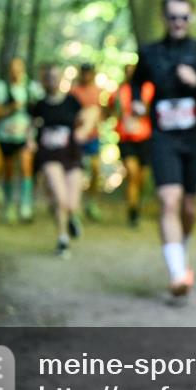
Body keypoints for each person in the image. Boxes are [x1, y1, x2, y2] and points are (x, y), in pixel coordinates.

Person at [131, 0, 196, 296]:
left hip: (194, 138)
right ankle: (177, 274)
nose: (178, 22)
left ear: (191, 19)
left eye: (184, 17)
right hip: (163, 137)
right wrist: (136, 101)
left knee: (188, 206)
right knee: (168, 200)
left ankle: (181, 252)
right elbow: (136, 81)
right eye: (173, 17)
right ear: (164, 19)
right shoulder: (150, 53)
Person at [28, 64, 99, 258]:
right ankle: (62, 238)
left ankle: (71, 218)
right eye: (49, 76)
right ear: (45, 80)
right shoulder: (40, 105)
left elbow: (90, 114)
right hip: (49, 155)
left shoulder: (72, 101)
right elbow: (31, 127)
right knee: (60, 197)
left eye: (56, 76)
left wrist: (83, 131)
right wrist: (30, 142)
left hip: (71, 154)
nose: (52, 80)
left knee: (72, 203)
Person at [0, 57, 44, 223]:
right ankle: (9, 205)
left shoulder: (32, 88)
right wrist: (10, 108)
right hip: (6, 136)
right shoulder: (1, 88)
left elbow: (42, 108)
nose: (16, 71)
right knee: (8, 170)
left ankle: (25, 205)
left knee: (25, 167)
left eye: (19, 67)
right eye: (13, 67)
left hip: (26, 136)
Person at [109, 63, 155, 227]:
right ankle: (132, 210)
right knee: (132, 173)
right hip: (126, 138)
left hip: (145, 138)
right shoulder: (119, 92)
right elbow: (111, 111)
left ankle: (137, 205)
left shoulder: (149, 89)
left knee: (142, 177)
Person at [71, 63, 106, 222]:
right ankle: (74, 204)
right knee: (76, 171)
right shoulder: (73, 92)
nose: (86, 76)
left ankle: (92, 203)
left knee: (95, 169)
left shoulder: (99, 92)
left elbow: (103, 112)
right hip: (77, 137)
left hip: (93, 137)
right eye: (83, 73)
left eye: (89, 73)